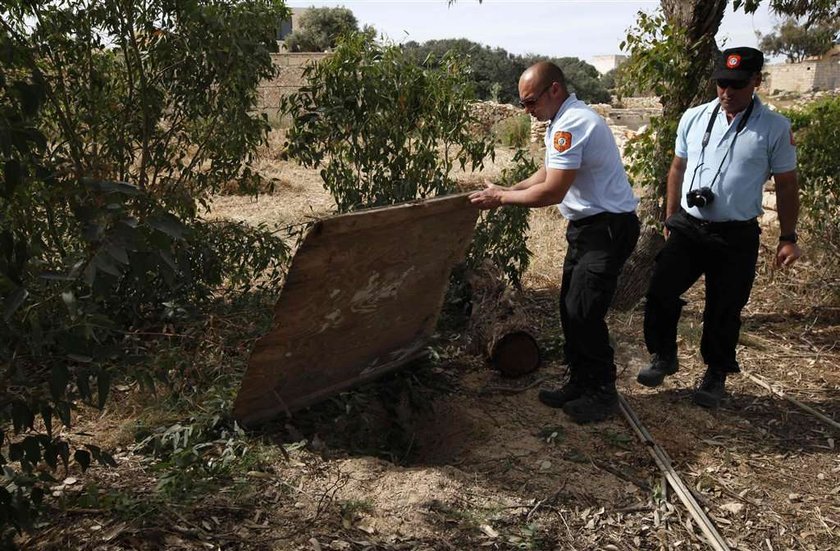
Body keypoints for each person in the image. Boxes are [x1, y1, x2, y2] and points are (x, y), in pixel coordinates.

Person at [470, 61, 639, 424]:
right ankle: (579, 381)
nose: (527, 110)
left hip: (606, 229)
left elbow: (552, 190)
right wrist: (508, 189)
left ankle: (602, 392)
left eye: (530, 102)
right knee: (570, 307)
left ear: (555, 90)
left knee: (585, 311)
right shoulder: (561, 121)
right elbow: (549, 169)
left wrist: (500, 201)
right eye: (523, 104)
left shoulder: (574, 123)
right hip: (588, 228)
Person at [637, 47, 801, 408]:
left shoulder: (774, 127)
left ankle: (715, 374)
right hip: (688, 226)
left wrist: (788, 237)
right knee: (661, 290)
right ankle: (663, 355)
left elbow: (787, 184)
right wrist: (669, 217)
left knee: (724, 307)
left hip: (736, 234)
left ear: (757, 81)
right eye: (721, 84)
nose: (727, 92)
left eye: (737, 85)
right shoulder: (694, 118)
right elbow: (677, 168)